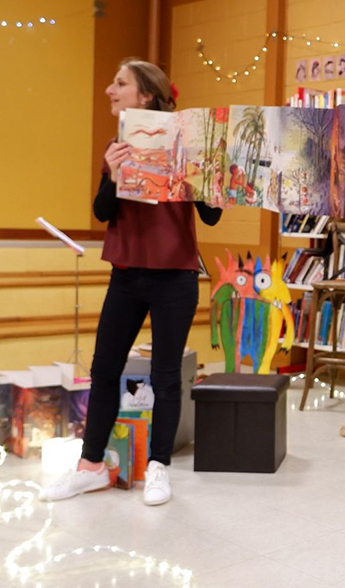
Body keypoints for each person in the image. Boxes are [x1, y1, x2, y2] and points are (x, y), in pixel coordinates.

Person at [41, 58, 223, 505]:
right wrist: (112, 171)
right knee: (104, 370)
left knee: (165, 376)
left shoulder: (189, 144)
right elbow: (104, 213)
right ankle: (91, 467)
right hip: (125, 275)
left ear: (145, 95)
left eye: (119, 83)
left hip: (175, 277)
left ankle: (158, 467)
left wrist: (206, 175)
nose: (109, 89)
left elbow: (212, 215)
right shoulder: (117, 146)